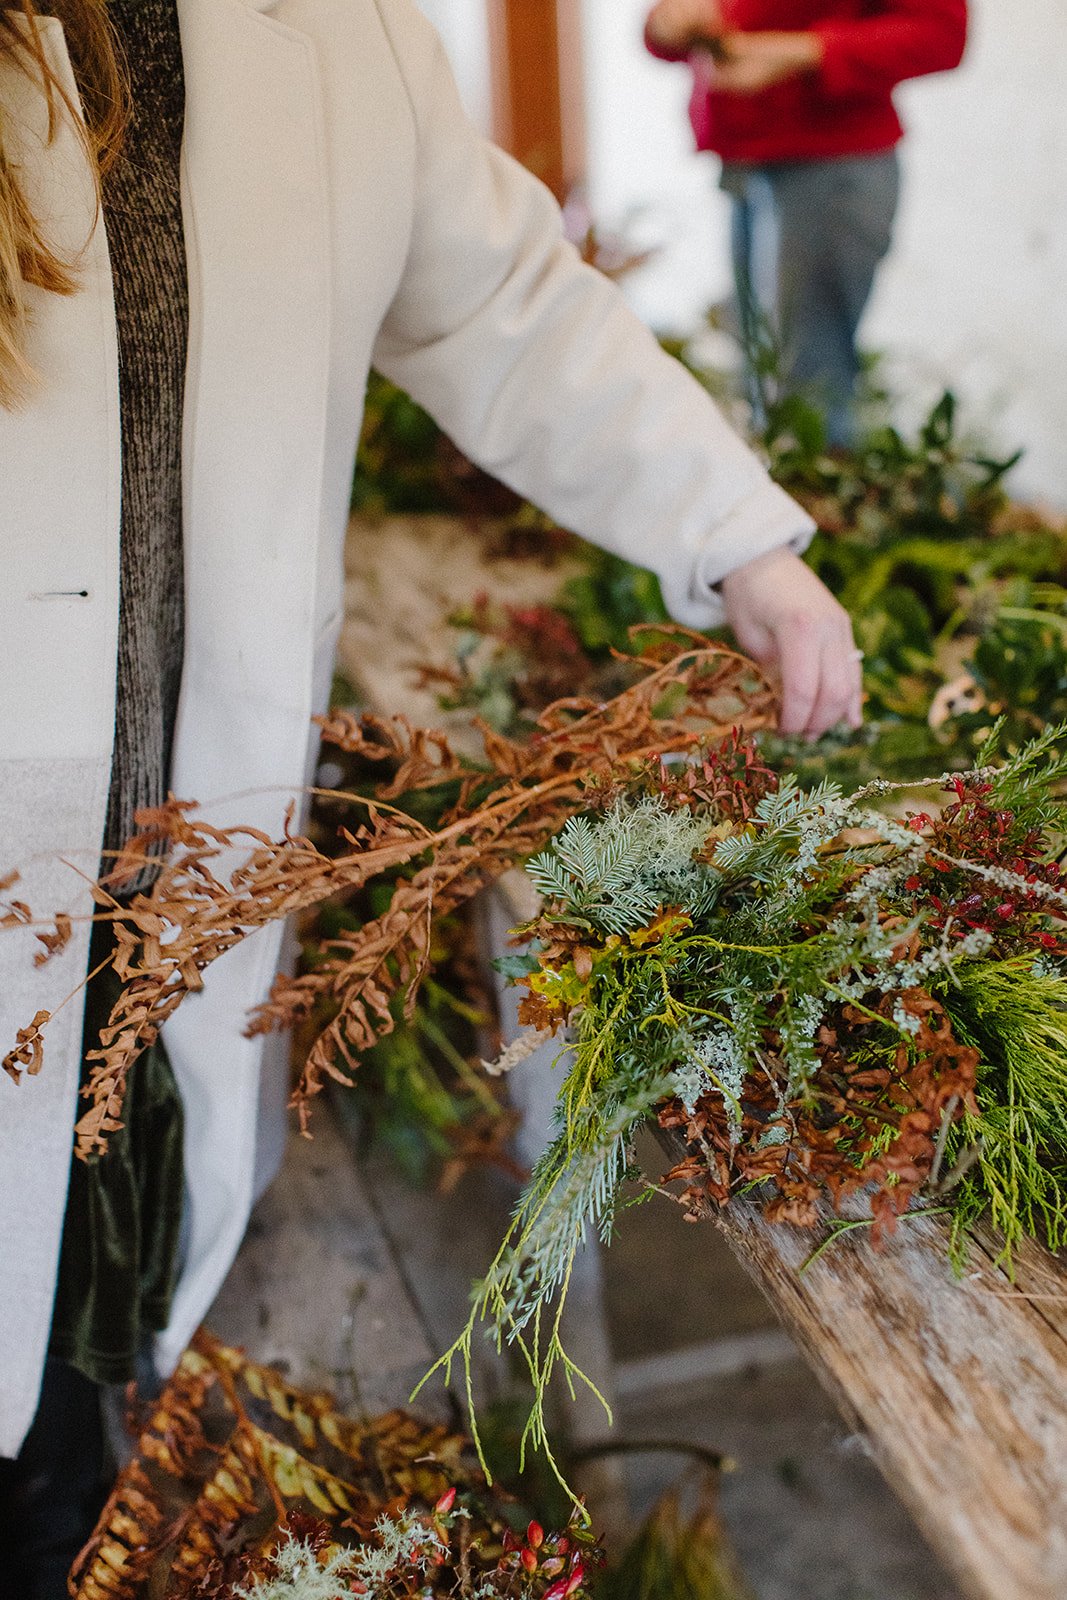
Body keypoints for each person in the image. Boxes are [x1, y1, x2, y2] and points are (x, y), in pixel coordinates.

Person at [0, 0, 861, 1587]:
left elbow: (503, 304)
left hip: (173, 838)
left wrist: (740, 539)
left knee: (75, 1324)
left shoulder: (336, 25)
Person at [645, 0, 968, 444]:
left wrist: (802, 52)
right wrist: (671, 21)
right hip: (746, 159)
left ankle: (809, 504)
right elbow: (667, 30)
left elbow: (940, 35)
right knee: (763, 376)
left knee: (810, 391)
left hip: (831, 159)